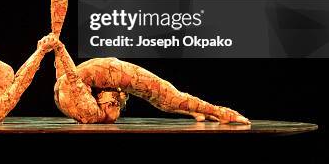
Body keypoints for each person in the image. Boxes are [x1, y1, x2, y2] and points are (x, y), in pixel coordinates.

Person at [51, 39, 250, 124]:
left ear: (104, 99)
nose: (115, 108)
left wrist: (58, 48)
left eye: (114, 106)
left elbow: (71, 77)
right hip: (104, 72)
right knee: (165, 101)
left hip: (113, 71)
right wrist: (54, 49)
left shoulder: (90, 112)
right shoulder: (85, 107)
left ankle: (221, 112)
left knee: (170, 98)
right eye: (117, 106)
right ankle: (200, 111)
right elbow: (68, 75)